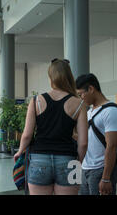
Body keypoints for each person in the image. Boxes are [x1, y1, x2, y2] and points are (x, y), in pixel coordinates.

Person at [14, 59, 88, 195]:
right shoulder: (79, 104)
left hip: (38, 160)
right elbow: (83, 143)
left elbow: (27, 135)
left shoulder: (36, 101)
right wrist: (79, 162)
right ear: (69, 76)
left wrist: (20, 151)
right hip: (69, 160)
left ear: (50, 77)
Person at [76, 73, 117, 195]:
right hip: (85, 168)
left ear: (91, 89)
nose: (81, 98)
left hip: (100, 170)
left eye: (81, 94)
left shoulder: (111, 111)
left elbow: (112, 146)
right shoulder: (89, 112)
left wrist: (106, 178)